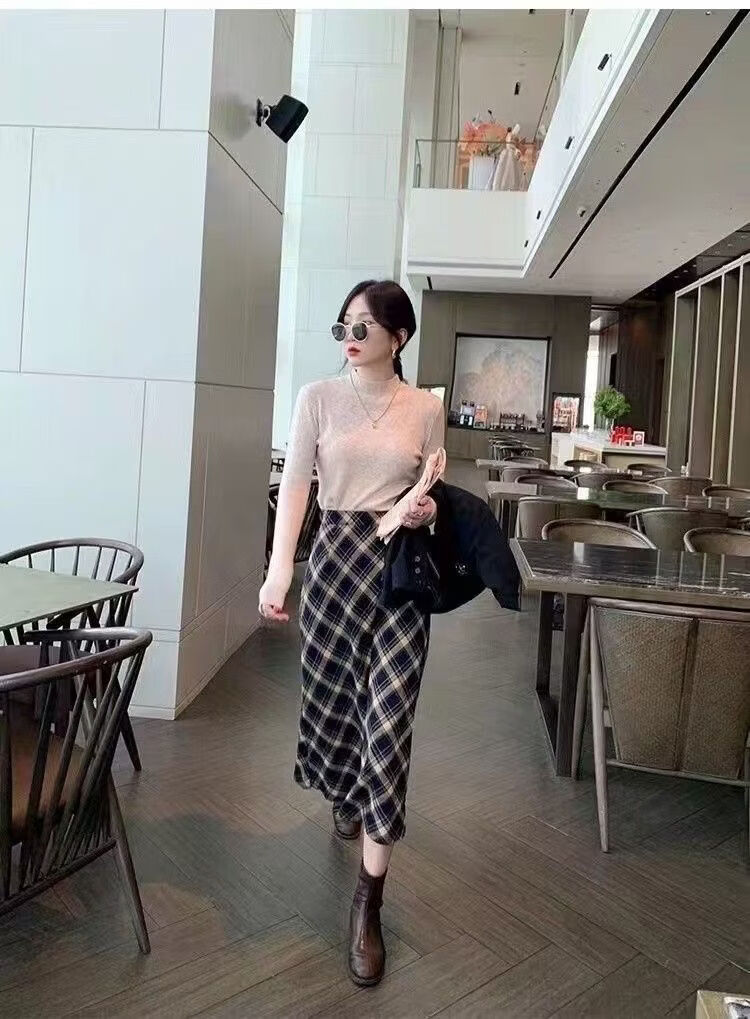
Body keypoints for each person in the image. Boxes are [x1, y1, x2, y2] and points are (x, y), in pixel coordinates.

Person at [259, 279, 444, 987]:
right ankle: (345, 787)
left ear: (399, 336)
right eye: (344, 325)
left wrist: (423, 510)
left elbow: (431, 491)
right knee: (335, 706)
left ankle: (368, 900)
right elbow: (297, 487)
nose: (351, 337)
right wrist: (280, 571)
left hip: (397, 570)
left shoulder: (425, 407)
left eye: (364, 326)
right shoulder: (317, 398)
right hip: (335, 561)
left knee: (389, 722)